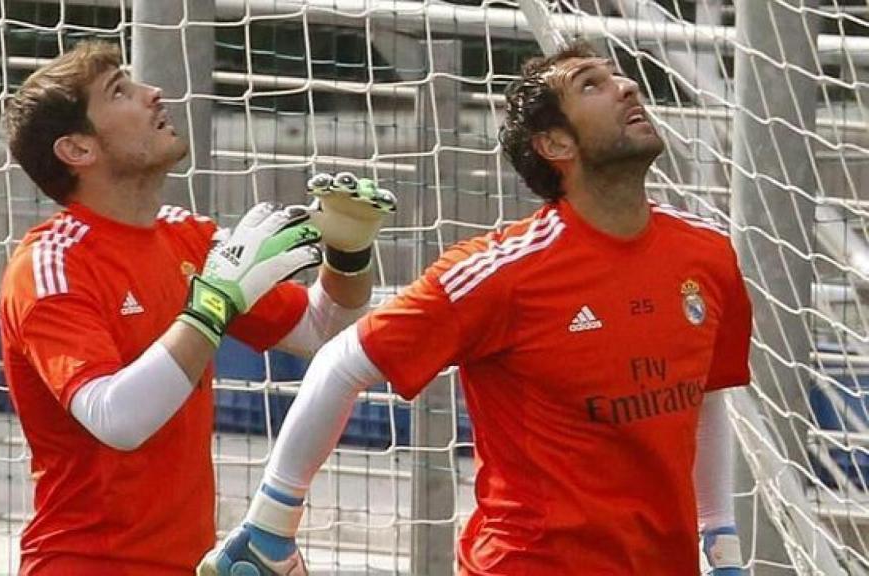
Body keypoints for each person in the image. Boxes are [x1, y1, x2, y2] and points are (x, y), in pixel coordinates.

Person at [199, 40, 751, 575]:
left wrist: (721, 543)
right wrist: (271, 523)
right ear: (555, 145)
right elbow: (341, 361)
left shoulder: (708, 253)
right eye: (593, 85)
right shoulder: (500, 272)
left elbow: (704, 393)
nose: (628, 87)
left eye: (618, 76)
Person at [0, 40, 395, 575]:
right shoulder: (49, 263)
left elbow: (321, 330)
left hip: (190, 563)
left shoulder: (187, 234)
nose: (152, 93)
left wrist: (348, 254)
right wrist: (211, 306)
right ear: (78, 150)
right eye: (120, 91)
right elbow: (118, 419)